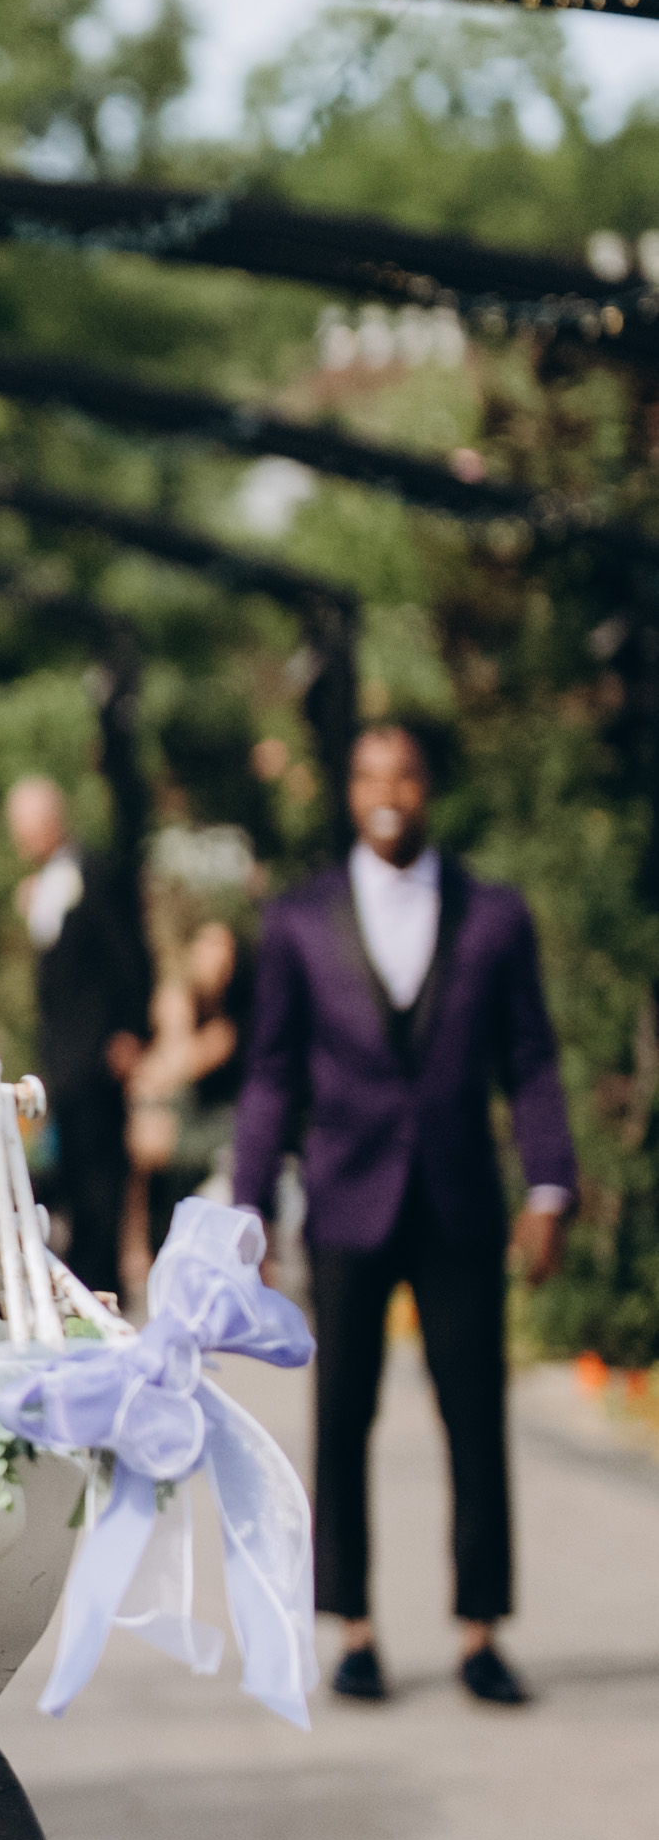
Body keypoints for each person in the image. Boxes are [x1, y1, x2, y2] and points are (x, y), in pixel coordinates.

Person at [229, 714, 577, 1708]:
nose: (387, 792)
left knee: (474, 1416)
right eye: (369, 774)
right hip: (345, 1199)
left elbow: (530, 1058)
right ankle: (353, 1628)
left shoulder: (493, 915)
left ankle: (480, 1631)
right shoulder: (298, 920)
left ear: (430, 787)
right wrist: (249, 1205)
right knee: (341, 1418)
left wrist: (548, 1185)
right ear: (348, 791)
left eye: (406, 774)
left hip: (459, 1198)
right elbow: (270, 1073)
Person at [7, 774, 151, 1293]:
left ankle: (100, 1282)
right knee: (71, 1168)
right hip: (64, 1054)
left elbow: (129, 953)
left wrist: (131, 1030)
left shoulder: (92, 873)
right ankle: (78, 1274)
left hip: (97, 1051)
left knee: (100, 1173)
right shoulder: (50, 882)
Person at [130, 910, 248, 1264]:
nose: (216, 958)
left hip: (216, 1129)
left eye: (224, 950)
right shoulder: (178, 999)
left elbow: (177, 1065)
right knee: (150, 1123)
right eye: (209, 945)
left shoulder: (235, 1017)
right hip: (173, 1126)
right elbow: (170, 1062)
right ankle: (142, 1244)